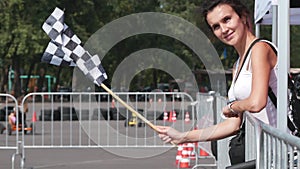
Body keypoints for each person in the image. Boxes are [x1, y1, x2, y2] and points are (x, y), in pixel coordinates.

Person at [156, 0, 278, 165]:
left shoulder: (260, 49)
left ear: (243, 17)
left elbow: (257, 102)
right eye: (216, 26)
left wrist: (232, 107)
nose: (224, 29)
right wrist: (183, 136)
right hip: (270, 153)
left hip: (286, 149)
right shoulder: (238, 65)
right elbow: (232, 125)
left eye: (227, 19)